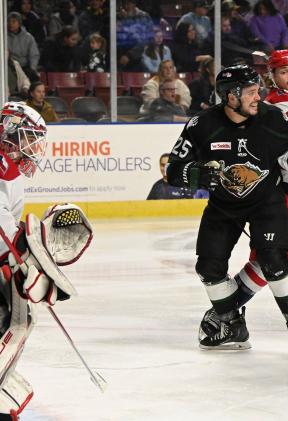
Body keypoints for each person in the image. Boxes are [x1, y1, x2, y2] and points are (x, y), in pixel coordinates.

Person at [166, 65, 288, 356]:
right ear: (230, 97)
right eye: (250, 93)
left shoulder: (271, 118)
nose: (258, 96)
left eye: (258, 90)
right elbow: (173, 170)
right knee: (208, 268)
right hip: (223, 207)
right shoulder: (202, 125)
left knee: (274, 262)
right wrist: (193, 174)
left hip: (266, 203)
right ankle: (232, 324)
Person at [0, 102, 93, 419]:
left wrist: (30, 255)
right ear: (9, 132)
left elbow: (12, 226)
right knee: (17, 319)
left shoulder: (12, 173)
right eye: (29, 138)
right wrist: (24, 261)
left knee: (20, 318)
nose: (34, 148)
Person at [7, 12, 40, 83]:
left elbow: (34, 55)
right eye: (8, 21)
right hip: (10, 67)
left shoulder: (28, 37)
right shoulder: (3, 36)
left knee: (33, 76)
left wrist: (32, 68)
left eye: (13, 21)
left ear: (19, 23)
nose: (10, 24)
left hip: (25, 66)